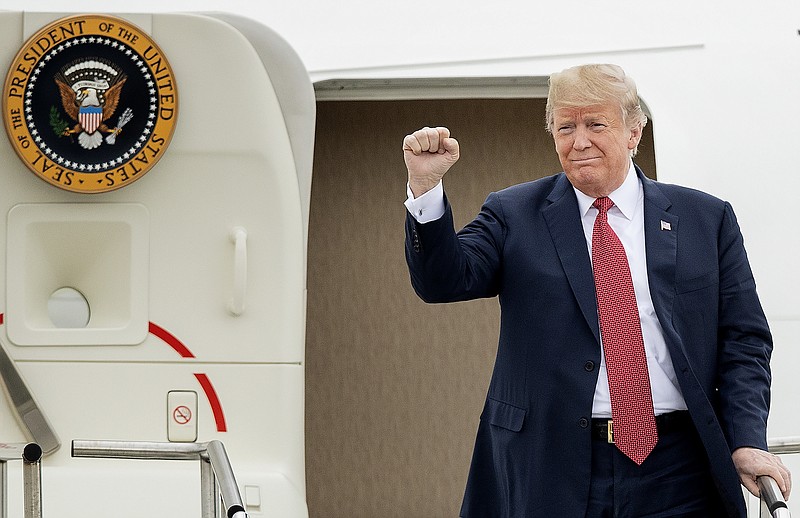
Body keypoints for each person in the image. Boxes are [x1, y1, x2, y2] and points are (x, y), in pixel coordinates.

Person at [402, 64, 791, 517]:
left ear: (634, 132)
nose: (579, 141)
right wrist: (426, 188)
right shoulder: (514, 213)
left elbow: (743, 340)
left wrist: (747, 439)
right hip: (553, 465)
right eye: (565, 126)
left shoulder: (705, 219)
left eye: (595, 124)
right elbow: (444, 280)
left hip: (680, 469)